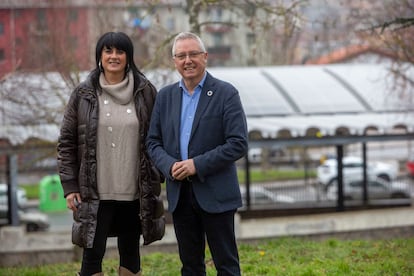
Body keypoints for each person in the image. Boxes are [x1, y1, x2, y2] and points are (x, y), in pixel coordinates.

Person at [57, 31, 165, 276]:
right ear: (100, 55)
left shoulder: (146, 91)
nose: (114, 56)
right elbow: (66, 143)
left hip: (135, 192)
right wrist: (70, 186)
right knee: (92, 257)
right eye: (108, 51)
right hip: (95, 192)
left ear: (129, 57)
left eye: (120, 51)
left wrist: (156, 174)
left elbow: (160, 137)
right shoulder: (83, 94)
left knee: (130, 256)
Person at [146, 31, 248, 276]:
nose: (187, 60)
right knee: (190, 266)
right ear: (174, 61)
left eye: (193, 54)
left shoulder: (226, 93)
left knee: (226, 265)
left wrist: (197, 165)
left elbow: (238, 143)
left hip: (216, 193)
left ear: (205, 57)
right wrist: (169, 166)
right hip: (180, 195)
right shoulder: (165, 97)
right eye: (181, 55)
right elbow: (152, 142)